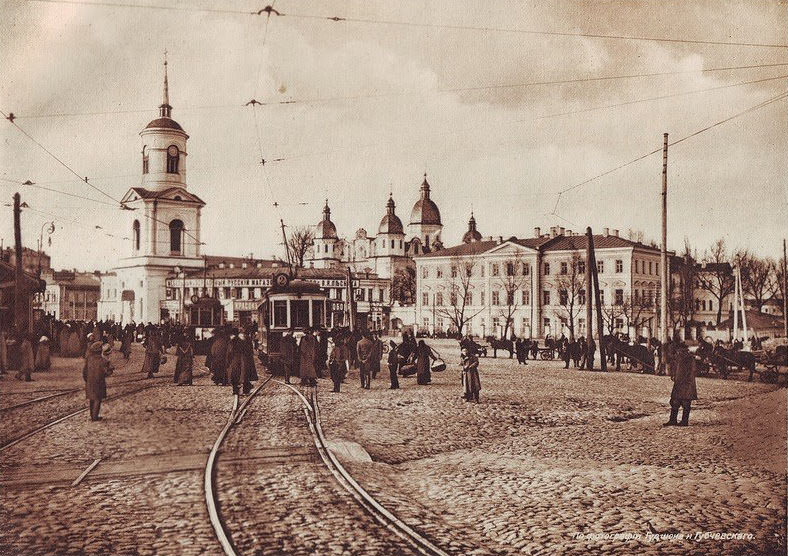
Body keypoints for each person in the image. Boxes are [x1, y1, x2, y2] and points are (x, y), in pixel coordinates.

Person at [664, 342, 698, 427]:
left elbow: (692, 370)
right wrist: (674, 375)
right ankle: (673, 420)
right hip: (680, 382)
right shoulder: (680, 357)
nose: (678, 352)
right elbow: (676, 367)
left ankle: (684, 421)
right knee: (675, 401)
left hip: (686, 383)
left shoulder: (688, 358)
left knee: (685, 402)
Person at [83, 340, 114, 421]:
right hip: (99, 381)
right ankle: (95, 417)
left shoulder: (89, 358)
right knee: (97, 399)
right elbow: (107, 372)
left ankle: (92, 415)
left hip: (90, 381)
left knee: (92, 399)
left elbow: (84, 371)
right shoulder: (102, 360)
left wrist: (86, 379)